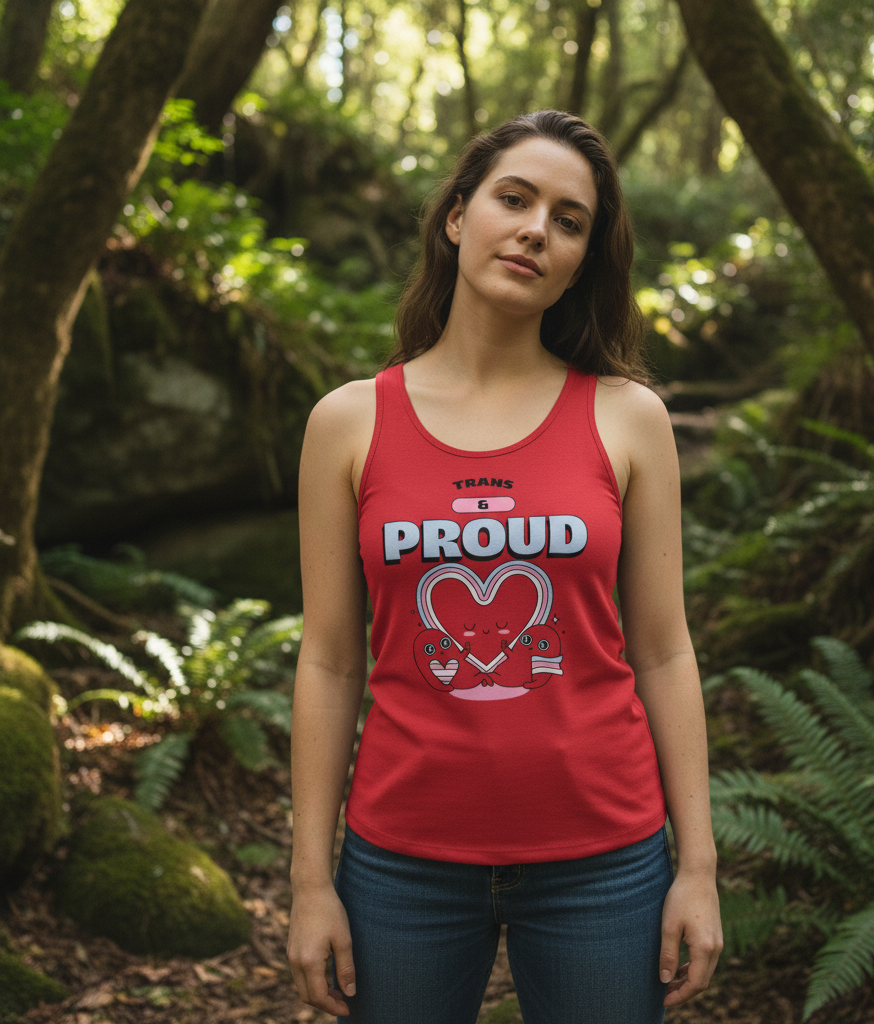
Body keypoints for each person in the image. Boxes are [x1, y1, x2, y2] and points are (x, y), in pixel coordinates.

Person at [287, 109, 722, 1024]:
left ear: (582, 258)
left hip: (606, 863)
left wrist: (698, 866)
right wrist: (309, 882)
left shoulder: (628, 417)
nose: (536, 230)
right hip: (400, 862)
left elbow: (664, 651)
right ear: (456, 216)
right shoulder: (348, 422)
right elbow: (329, 660)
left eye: (569, 221)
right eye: (514, 199)